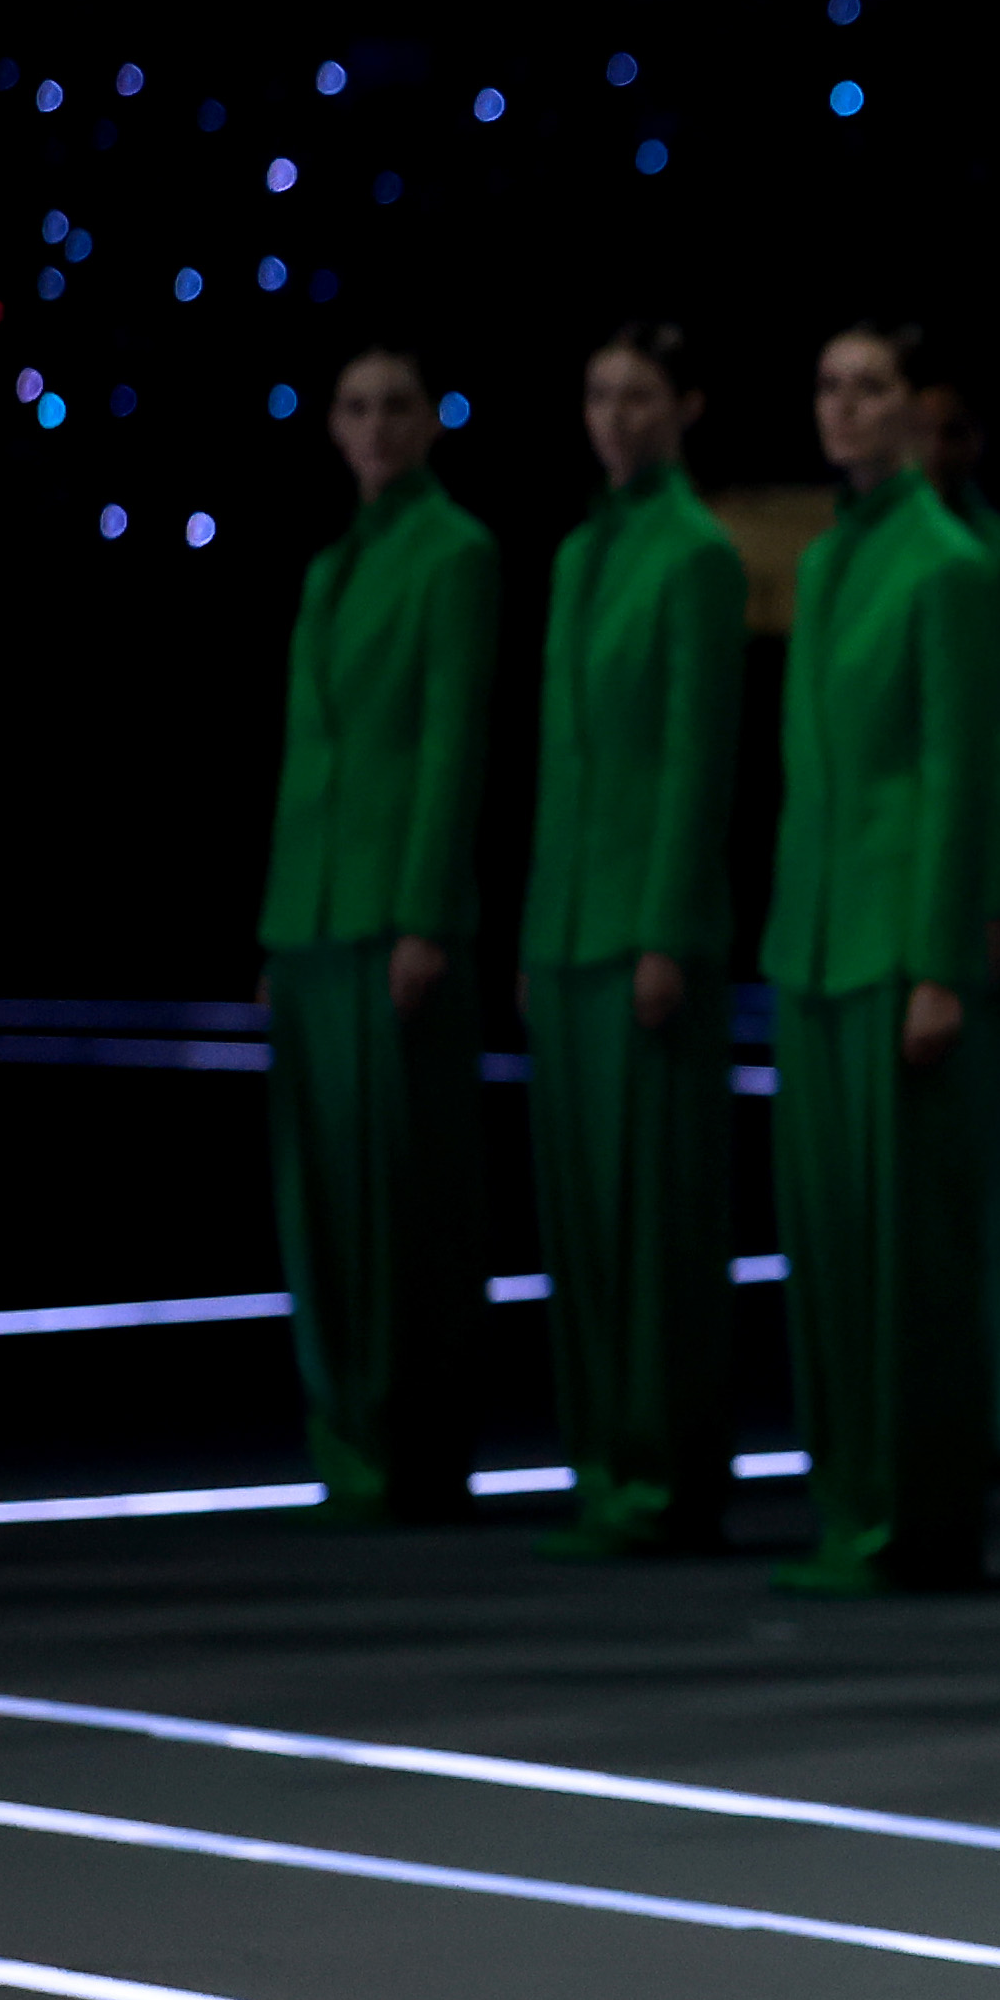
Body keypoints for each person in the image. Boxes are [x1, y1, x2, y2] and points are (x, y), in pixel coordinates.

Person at [762, 319, 1000, 1596]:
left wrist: (934, 963)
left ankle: (918, 1517)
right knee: (832, 1245)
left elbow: (958, 782)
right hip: (814, 939)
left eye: (871, 388)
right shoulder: (828, 560)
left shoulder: (947, 565)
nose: (845, 408)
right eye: (831, 385)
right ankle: (850, 1504)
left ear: (918, 411)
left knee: (906, 1251)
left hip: (890, 944)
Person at [257, 339, 500, 1525]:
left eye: (397, 405)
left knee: (407, 1196)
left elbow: (452, 742)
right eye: (355, 406)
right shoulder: (330, 566)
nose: (376, 426)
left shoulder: (455, 552)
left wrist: (421, 912)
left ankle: (417, 1445)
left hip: (392, 914)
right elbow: (310, 755)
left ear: (431, 423)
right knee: (322, 1198)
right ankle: (346, 1437)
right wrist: (279, 924)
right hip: (312, 914)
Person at [520, 319, 746, 1556]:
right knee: (585, 1221)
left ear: (684, 407)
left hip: (646, 925)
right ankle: (605, 1461)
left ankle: (667, 1473)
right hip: (571, 922)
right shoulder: (579, 552)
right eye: (599, 394)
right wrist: (542, 918)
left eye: (639, 395)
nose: (616, 416)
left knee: (655, 1217)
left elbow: (694, 759)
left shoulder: (695, 552)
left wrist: (663, 925)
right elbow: (564, 761)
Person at [910, 367, 1000, 1456]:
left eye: (951, 428)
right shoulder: (869, 552)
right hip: (878, 893)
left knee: (983, 1169)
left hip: (961, 898)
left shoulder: (986, 560)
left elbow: (992, 748)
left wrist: (992, 894)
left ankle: (991, 1407)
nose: (931, 448)